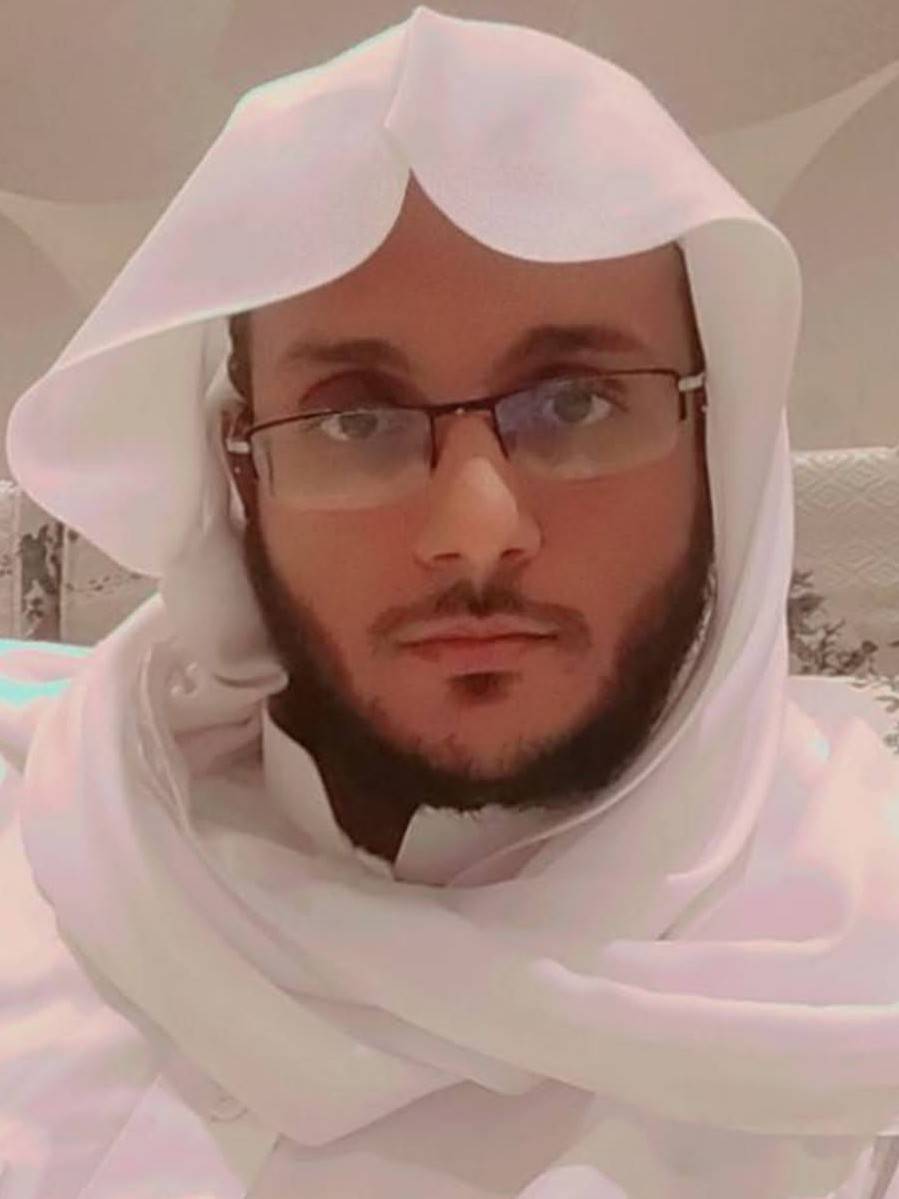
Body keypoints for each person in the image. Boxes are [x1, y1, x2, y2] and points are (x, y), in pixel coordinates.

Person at [2, 7, 899, 1197]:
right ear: (240, 471)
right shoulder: (57, 832)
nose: (474, 528)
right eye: (352, 419)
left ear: (714, 442)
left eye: (574, 402)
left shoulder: (858, 980)